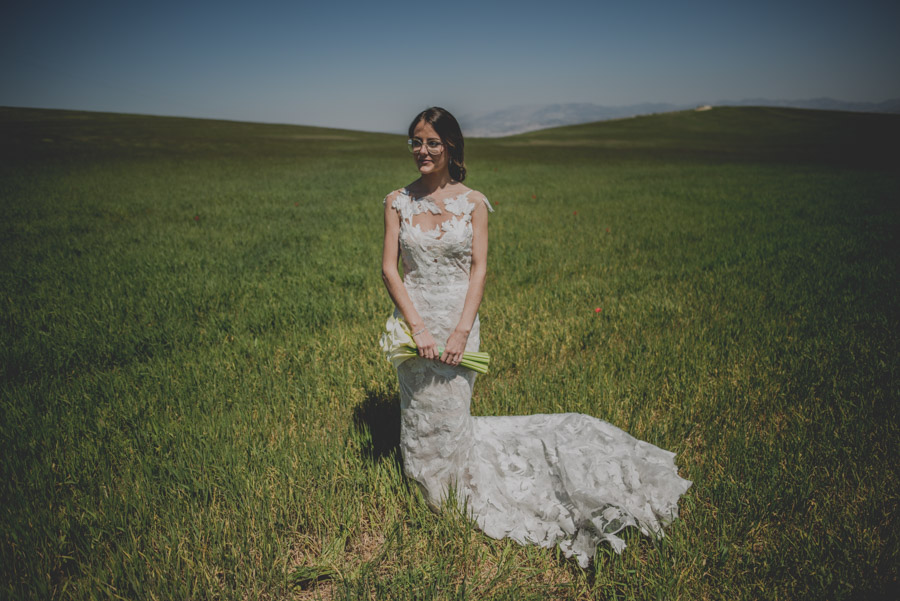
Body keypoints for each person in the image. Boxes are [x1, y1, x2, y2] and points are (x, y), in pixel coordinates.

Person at [381, 107, 691, 567]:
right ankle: (425, 488)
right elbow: (390, 269)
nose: (422, 151)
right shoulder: (397, 201)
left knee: (452, 419)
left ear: (450, 146)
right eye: (415, 142)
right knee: (421, 421)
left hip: (459, 324)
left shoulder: (473, 203)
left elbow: (479, 269)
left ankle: (460, 491)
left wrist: (461, 331)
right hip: (414, 326)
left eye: (432, 143)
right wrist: (417, 328)